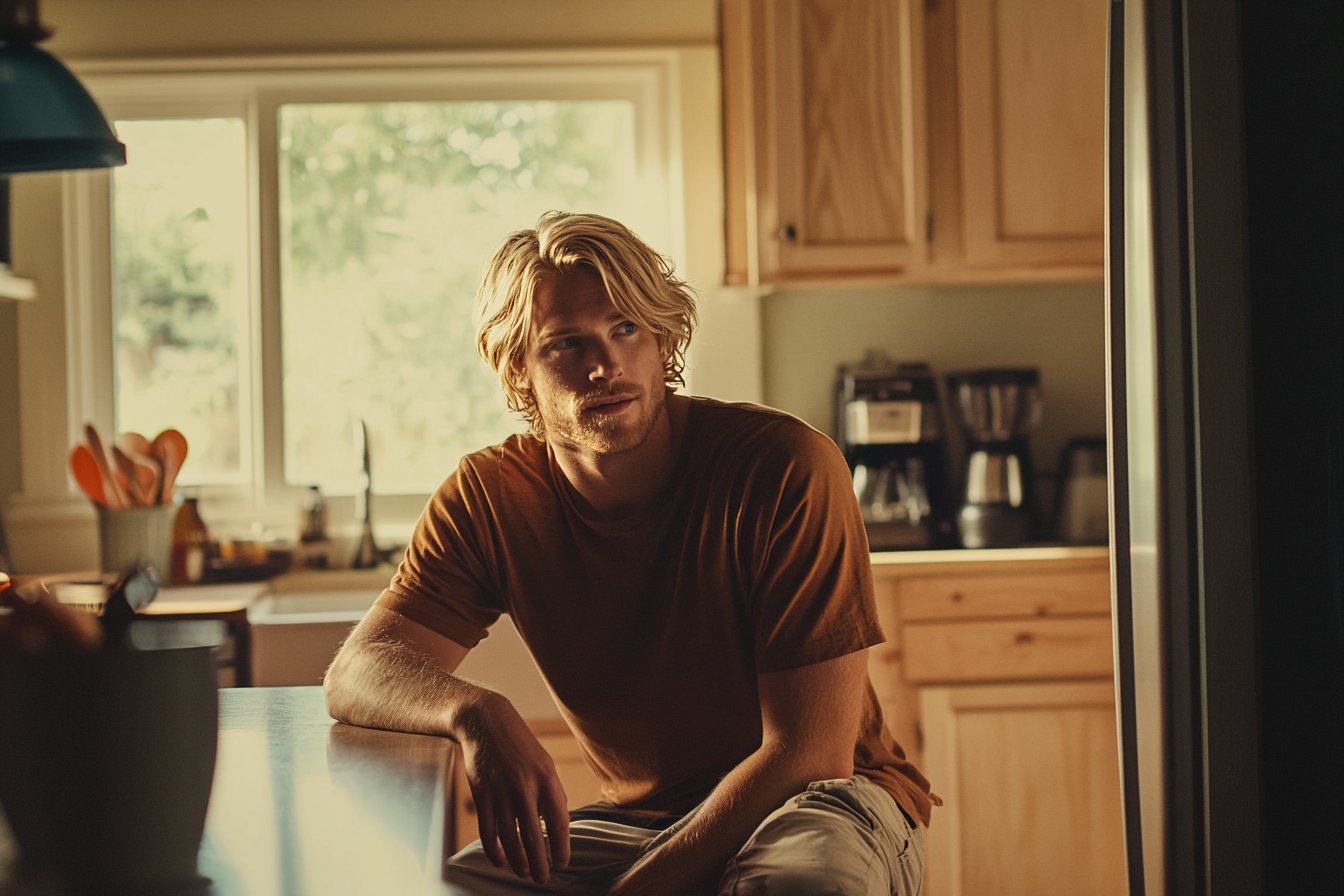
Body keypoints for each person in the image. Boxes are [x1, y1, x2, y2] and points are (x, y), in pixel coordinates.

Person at [323, 211, 937, 895]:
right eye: (564, 344)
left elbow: (807, 753)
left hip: (827, 798)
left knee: (796, 888)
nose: (605, 366)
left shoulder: (784, 467)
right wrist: (478, 714)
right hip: (648, 819)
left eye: (626, 330)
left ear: (661, 338)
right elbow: (357, 671)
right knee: (462, 887)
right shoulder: (489, 498)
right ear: (518, 370)